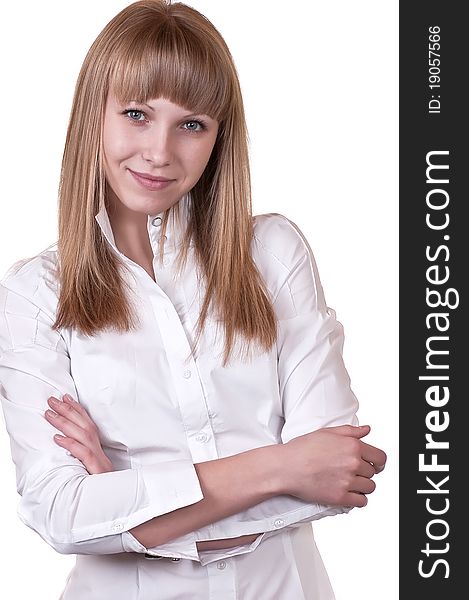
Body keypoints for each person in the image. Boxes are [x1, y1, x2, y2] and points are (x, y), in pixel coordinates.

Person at [0, 1, 387, 598]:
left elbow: (341, 475)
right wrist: (282, 467)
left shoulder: (273, 253)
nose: (159, 152)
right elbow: (61, 513)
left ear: (217, 138)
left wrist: (132, 505)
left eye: (192, 124)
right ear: (92, 115)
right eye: (136, 114)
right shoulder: (34, 297)